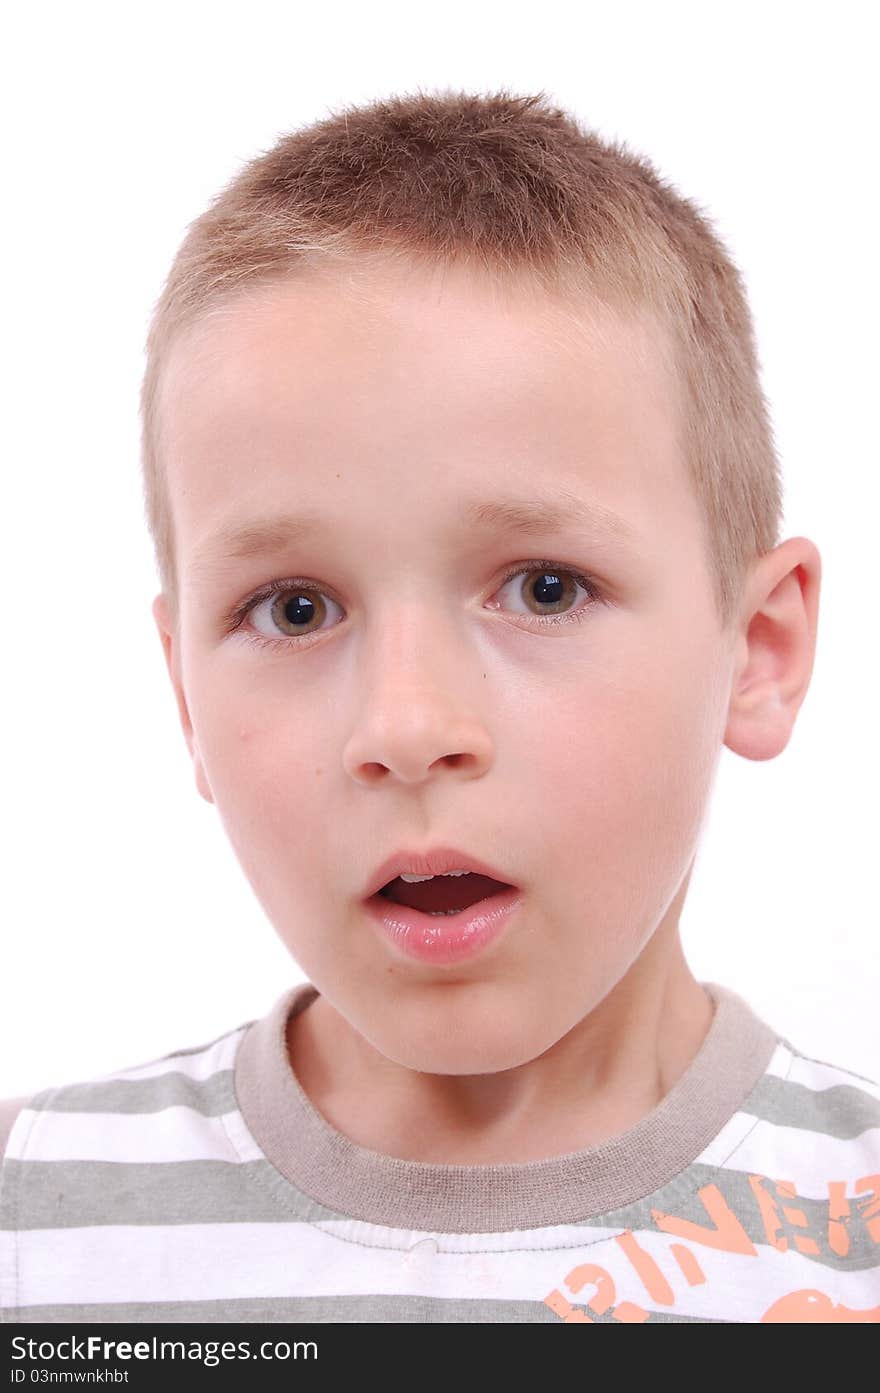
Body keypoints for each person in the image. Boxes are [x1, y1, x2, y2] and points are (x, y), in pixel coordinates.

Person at [2, 88, 877, 1326]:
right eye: (296, 609)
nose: (408, 727)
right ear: (184, 695)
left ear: (760, 648)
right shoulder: (36, 1233)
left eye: (545, 587)